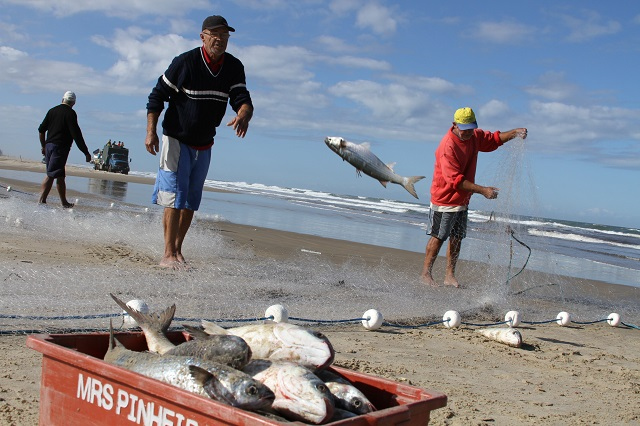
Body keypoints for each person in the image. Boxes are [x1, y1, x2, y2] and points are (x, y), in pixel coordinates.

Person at [145, 15, 253, 269]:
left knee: (191, 201)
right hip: (176, 138)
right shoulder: (186, 62)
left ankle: (178, 250)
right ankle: (167, 253)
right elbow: (157, 96)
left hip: (204, 142)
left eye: (225, 35)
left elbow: (241, 97)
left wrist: (245, 113)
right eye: (215, 34)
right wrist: (150, 131)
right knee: (174, 198)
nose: (220, 39)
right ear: (202, 36)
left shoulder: (234, 67)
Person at [421, 107, 527, 288]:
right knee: (439, 236)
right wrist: (483, 190)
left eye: (472, 128)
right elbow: (455, 181)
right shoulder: (448, 146)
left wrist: (514, 133)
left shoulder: (473, 136)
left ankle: (449, 275)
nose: (469, 132)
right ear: (454, 125)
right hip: (444, 198)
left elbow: (493, 140)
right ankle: (426, 274)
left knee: (457, 237)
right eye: (465, 129)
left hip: (462, 199)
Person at [38, 91, 91, 208]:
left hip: (49, 146)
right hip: (60, 148)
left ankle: (64, 202)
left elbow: (41, 130)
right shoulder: (70, 114)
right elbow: (76, 134)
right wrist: (86, 152)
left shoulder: (52, 110)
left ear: (62, 99)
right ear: (73, 103)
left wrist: (43, 146)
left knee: (60, 175)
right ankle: (41, 200)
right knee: (51, 174)